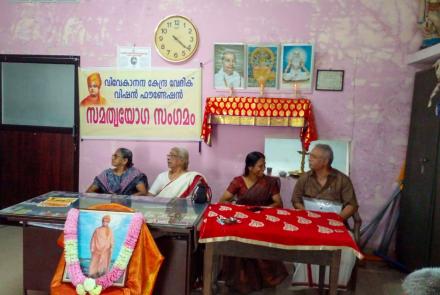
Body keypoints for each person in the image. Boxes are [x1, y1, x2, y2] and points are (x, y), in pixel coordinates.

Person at [219, 151, 288, 294]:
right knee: (238, 244)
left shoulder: (270, 182)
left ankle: (265, 280)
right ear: (250, 167)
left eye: (264, 166)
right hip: (242, 221)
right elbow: (223, 200)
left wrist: (262, 210)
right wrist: (241, 209)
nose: (263, 169)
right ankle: (239, 282)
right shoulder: (238, 181)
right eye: (260, 166)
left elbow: (278, 203)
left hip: (263, 221)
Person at [291, 143, 358, 289]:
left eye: (314, 157)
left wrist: (337, 219)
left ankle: (334, 286)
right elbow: (295, 200)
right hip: (308, 223)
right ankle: (307, 284)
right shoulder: (304, 178)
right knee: (300, 242)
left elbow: (352, 205)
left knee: (346, 250)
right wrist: (305, 212)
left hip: (335, 225)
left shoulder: (342, 180)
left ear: (325, 161)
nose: (309, 159)